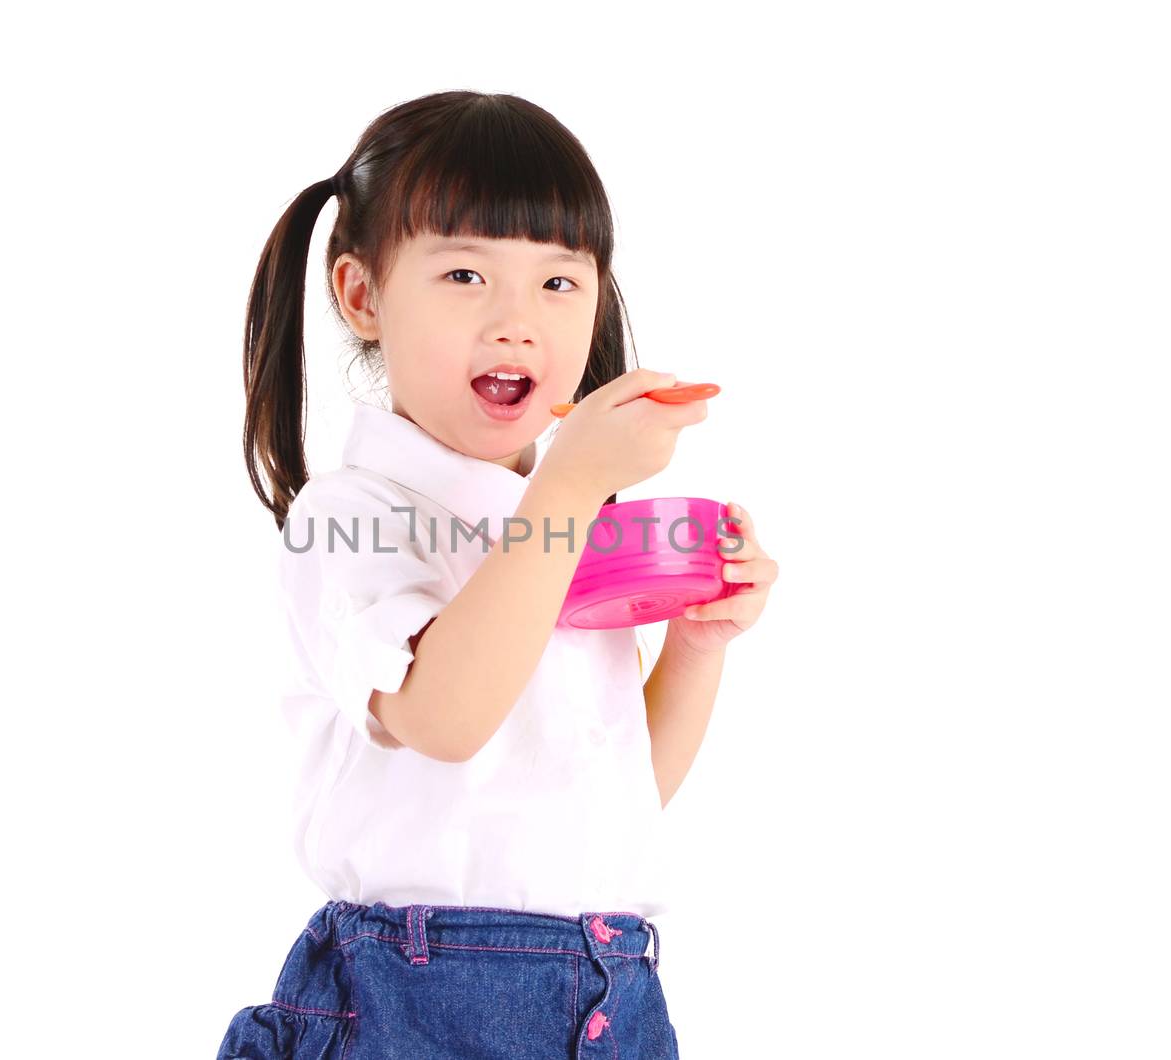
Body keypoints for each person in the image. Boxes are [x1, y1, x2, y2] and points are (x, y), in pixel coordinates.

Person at [220, 90, 779, 1059]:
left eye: (558, 284)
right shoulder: (351, 517)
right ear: (361, 296)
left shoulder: (558, 520)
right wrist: (568, 486)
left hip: (613, 988)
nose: (517, 323)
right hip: (416, 996)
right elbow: (443, 715)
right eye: (466, 274)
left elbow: (614, 782)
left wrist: (696, 643)